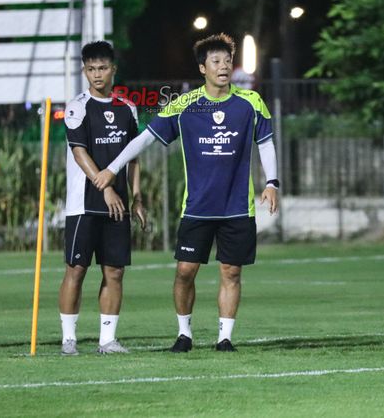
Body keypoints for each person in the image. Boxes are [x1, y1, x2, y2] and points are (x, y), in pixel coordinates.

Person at [93, 33, 279, 352]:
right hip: (197, 207)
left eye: (227, 61)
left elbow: (265, 142)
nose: (223, 67)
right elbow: (145, 139)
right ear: (202, 68)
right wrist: (112, 168)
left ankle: (225, 338)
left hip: (237, 206)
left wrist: (272, 182)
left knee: (231, 272)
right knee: (184, 272)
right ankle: (184, 333)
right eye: (216, 62)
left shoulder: (250, 103)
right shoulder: (186, 106)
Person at [59, 41, 146, 355]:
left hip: (119, 205)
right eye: (91, 69)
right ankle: (69, 338)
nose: (97, 74)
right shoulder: (76, 107)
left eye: (103, 68)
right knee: (76, 269)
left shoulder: (128, 108)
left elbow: (133, 156)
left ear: (113, 70)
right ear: (84, 70)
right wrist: (106, 187)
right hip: (84, 204)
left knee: (115, 271)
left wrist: (136, 197)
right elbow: (80, 152)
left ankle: (107, 340)